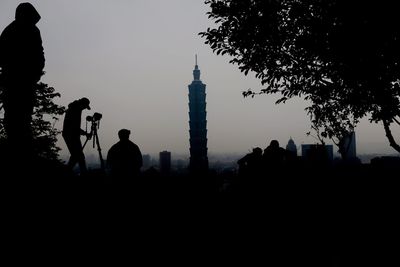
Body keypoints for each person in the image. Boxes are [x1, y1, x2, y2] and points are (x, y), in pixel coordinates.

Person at [0, 3, 45, 164]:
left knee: (22, 121)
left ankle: (22, 154)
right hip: (14, 84)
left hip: (24, 84)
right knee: (15, 122)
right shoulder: (10, 32)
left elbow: (40, 55)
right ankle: (18, 155)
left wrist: (36, 73)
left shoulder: (31, 30)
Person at [62, 98, 91, 174]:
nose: (84, 109)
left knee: (76, 156)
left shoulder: (75, 108)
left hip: (71, 135)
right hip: (71, 135)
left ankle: (68, 171)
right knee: (79, 156)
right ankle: (83, 173)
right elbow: (74, 126)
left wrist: (83, 133)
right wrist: (85, 133)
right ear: (82, 104)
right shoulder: (75, 110)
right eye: (85, 107)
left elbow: (74, 126)